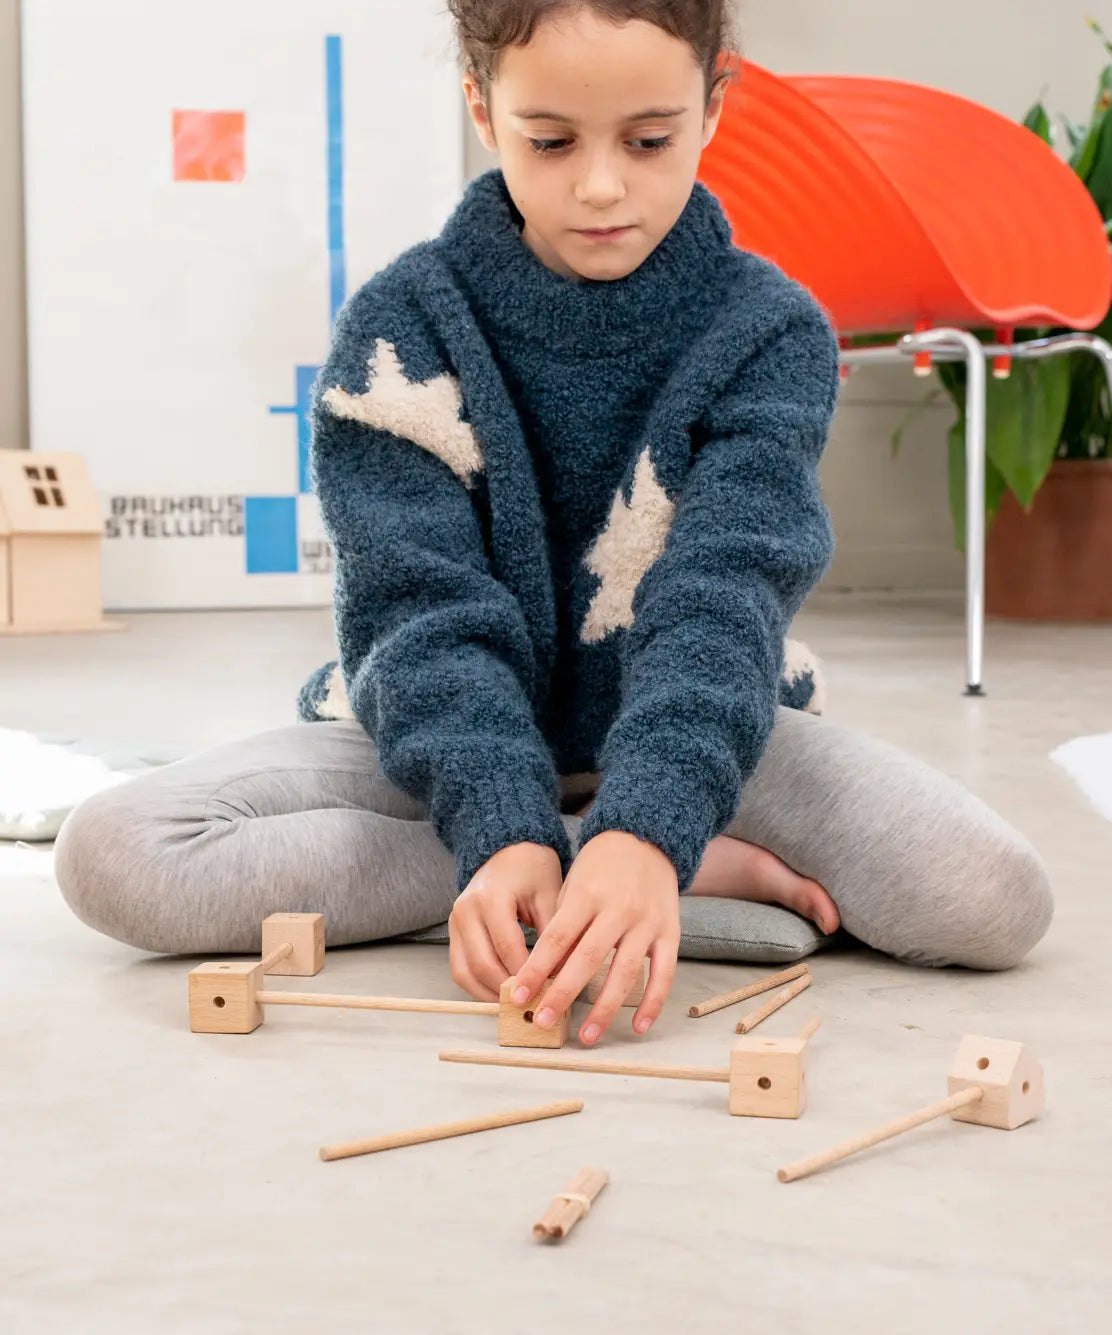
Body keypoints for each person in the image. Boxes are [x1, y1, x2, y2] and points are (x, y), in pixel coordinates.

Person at [54, 0, 1053, 1048]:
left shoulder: (769, 331)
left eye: (649, 139)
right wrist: (499, 827)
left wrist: (651, 820)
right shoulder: (402, 327)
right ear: (481, 108)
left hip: (692, 728)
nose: (600, 185)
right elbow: (419, 608)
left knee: (988, 899)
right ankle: (598, 875)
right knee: (118, 854)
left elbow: (724, 593)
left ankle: (614, 869)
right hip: (444, 742)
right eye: (550, 140)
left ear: (717, 102)